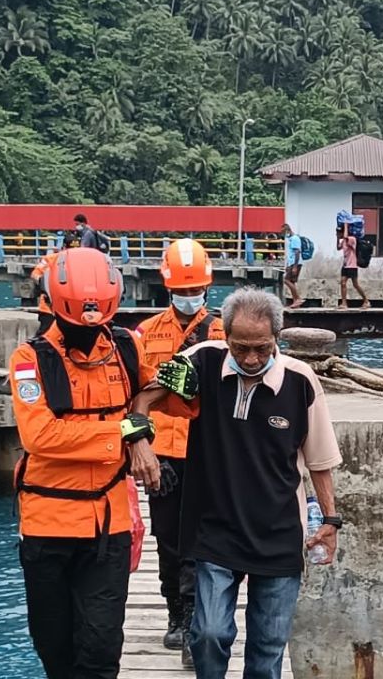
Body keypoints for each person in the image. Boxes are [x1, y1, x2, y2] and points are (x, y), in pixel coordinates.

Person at [132, 288, 343, 679]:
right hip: (216, 529)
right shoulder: (200, 362)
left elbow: (321, 461)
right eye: (240, 347)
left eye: (261, 348)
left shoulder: (300, 381)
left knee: (268, 650)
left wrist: (330, 521)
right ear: (224, 336)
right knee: (209, 633)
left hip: (280, 534)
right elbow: (142, 399)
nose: (250, 358)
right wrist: (139, 440)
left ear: (277, 338)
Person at [9, 247, 162, 679]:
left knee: (100, 648)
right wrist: (126, 434)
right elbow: (41, 436)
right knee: (54, 647)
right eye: (77, 324)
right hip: (47, 523)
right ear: (55, 308)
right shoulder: (29, 360)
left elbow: (165, 395)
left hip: (107, 526)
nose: (89, 332)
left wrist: (199, 374)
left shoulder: (128, 347)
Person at [133, 239, 226, 667]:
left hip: (209, 452)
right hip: (162, 454)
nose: (190, 299)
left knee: (201, 540)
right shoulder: (145, 335)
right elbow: (133, 399)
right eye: (182, 292)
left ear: (208, 286)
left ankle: (194, 619)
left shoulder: (224, 331)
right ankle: (175, 611)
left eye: (196, 291)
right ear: (167, 289)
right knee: (168, 538)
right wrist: (141, 447)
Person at [336, 226, 369, 309]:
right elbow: (338, 248)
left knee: (355, 285)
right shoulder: (343, 241)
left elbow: (346, 237)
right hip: (345, 265)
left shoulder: (351, 239)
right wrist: (337, 238)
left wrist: (346, 225)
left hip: (352, 266)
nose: (338, 234)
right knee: (343, 283)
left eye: (339, 233)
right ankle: (344, 303)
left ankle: (366, 301)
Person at [30, 250, 61, 336]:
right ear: (63, 247)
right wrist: (44, 282)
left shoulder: (81, 261)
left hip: (72, 309)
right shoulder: (50, 258)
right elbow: (35, 275)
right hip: (49, 307)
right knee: (45, 336)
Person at [281, 224, 303, 308]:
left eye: (284, 232)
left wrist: (295, 267)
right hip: (291, 263)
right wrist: (287, 265)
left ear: (287, 231)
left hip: (295, 263)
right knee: (292, 282)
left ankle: (297, 299)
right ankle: (296, 302)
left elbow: (297, 252)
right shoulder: (290, 239)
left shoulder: (295, 239)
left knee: (286, 280)